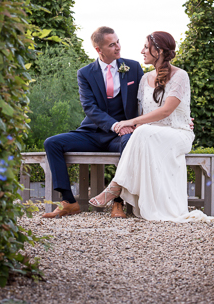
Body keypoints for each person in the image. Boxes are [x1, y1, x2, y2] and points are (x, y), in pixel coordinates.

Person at [89, 31, 214, 223]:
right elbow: (142, 115)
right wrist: (132, 124)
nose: (142, 51)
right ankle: (117, 188)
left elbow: (166, 111)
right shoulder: (144, 79)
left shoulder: (180, 76)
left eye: (146, 47)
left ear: (159, 51)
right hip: (150, 134)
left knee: (142, 131)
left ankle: (115, 186)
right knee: (142, 131)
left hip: (178, 134)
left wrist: (131, 122)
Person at [42, 26, 144, 219]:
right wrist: (116, 125)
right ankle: (68, 202)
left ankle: (118, 203)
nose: (118, 47)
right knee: (52, 143)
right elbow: (89, 107)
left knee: (130, 142)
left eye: (118, 42)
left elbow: (146, 100)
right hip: (92, 132)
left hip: (122, 136)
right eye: (111, 44)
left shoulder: (133, 68)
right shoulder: (85, 73)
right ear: (99, 50)